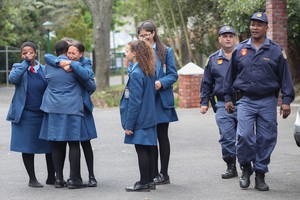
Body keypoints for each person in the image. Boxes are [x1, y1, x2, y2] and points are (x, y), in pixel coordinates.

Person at [223, 12, 295, 191]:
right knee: (244, 135)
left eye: (259, 24)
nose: (254, 27)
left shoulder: (276, 51)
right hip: (245, 100)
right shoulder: (240, 49)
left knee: (266, 138)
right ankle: (246, 168)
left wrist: (286, 100)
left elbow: (285, 77)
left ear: (266, 28)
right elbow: (230, 76)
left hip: (268, 101)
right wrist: (227, 97)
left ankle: (260, 174)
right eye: (252, 24)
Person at [45, 39, 98, 187]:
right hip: (74, 108)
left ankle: (58, 179)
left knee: (57, 143)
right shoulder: (73, 67)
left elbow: (46, 61)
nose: (71, 55)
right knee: (74, 142)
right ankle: (74, 179)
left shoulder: (49, 66)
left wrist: (72, 64)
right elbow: (91, 85)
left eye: (74, 53)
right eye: (69, 52)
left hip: (54, 107)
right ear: (66, 51)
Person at [7, 41, 55, 188]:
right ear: (21, 55)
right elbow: (13, 79)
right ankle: (32, 179)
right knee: (27, 147)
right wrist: (25, 64)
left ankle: (51, 177)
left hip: (44, 114)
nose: (28, 54)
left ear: (36, 53)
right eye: (24, 53)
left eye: (31, 52)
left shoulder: (45, 69)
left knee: (50, 146)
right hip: (25, 115)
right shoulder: (19, 68)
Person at [137, 20, 178, 185]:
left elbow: (173, 75)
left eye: (146, 35)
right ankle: (152, 173)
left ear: (153, 33)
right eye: (141, 36)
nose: (144, 39)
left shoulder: (165, 51)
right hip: (146, 100)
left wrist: (161, 82)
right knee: (150, 137)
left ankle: (164, 173)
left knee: (162, 136)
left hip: (161, 99)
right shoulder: (139, 52)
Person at [200, 25, 238, 179]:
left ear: (234, 38)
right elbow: (206, 83)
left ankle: (247, 164)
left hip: (244, 101)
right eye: (225, 36)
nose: (228, 38)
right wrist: (204, 102)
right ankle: (231, 165)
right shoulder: (213, 59)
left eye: (230, 36)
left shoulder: (243, 55)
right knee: (227, 136)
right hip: (222, 103)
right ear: (220, 39)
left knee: (246, 136)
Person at [120, 40, 157, 192]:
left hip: (140, 119)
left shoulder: (136, 73)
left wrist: (129, 125)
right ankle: (149, 181)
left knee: (141, 150)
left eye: (127, 51)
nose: (125, 54)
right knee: (148, 149)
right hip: (149, 116)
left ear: (135, 53)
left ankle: (143, 182)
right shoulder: (148, 70)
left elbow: (134, 102)